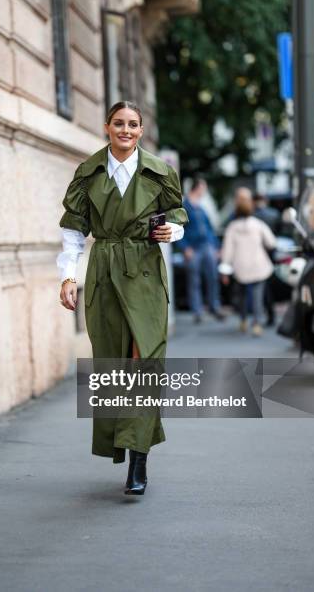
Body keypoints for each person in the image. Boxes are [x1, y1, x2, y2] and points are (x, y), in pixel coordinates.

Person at [57, 101, 188, 496]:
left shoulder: (161, 172)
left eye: (133, 124)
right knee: (114, 367)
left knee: (143, 361)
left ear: (142, 130)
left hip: (145, 274)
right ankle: (127, 446)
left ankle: (139, 460)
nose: (126, 130)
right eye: (119, 123)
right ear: (107, 127)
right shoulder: (88, 172)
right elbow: (73, 230)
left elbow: (178, 214)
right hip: (103, 273)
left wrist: (172, 232)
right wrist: (67, 276)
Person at [220, 190, 276, 336]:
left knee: (242, 296)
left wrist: (224, 271)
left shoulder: (231, 228)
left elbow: (227, 251)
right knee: (258, 296)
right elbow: (271, 242)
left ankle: (243, 320)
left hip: (240, 268)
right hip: (259, 266)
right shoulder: (258, 225)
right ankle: (257, 324)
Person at [178, 176, 224, 323]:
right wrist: (185, 248)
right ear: (197, 188)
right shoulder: (185, 206)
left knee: (212, 277)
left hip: (207, 246)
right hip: (193, 248)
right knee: (194, 280)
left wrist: (216, 246)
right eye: (203, 187)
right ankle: (197, 311)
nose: (205, 191)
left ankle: (214, 306)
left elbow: (210, 229)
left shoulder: (201, 207)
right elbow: (178, 228)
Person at [253, 193, 280, 325]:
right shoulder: (274, 214)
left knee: (258, 287)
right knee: (268, 286)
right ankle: (270, 314)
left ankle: (258, 314)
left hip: (256, 254)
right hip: (270, 253)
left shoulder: (252, 215)